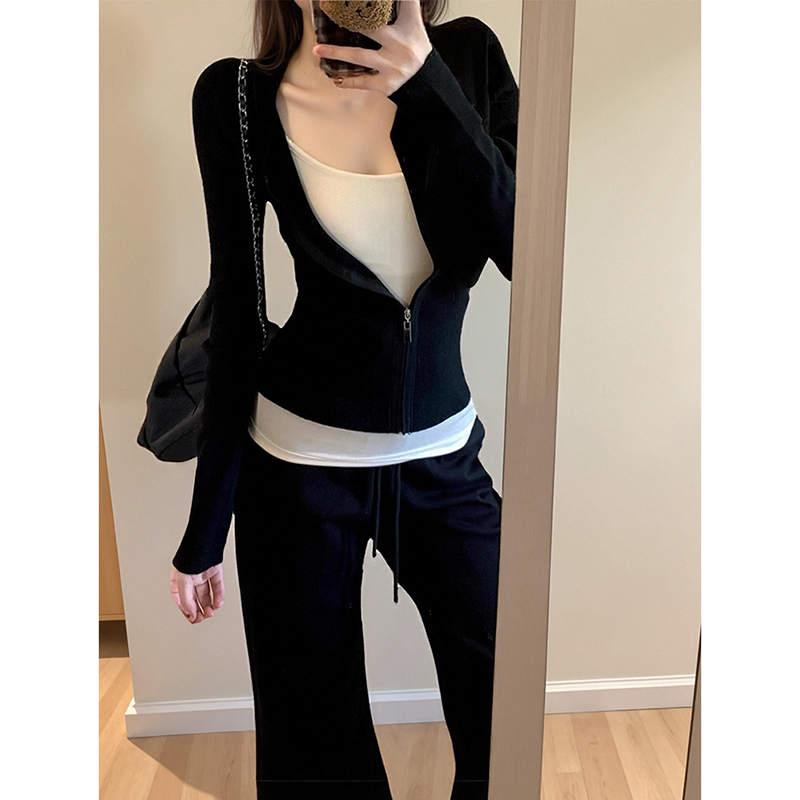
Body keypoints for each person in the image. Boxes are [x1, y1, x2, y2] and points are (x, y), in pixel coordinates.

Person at [168, 1, 518, 797]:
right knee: (314, 741)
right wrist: (206, 527)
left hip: (443, 463)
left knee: (505, 698)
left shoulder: (468, 59)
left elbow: (524, 248)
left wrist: (426, 84)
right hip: (296, 469)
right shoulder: (238, 96)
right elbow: (238, 315)